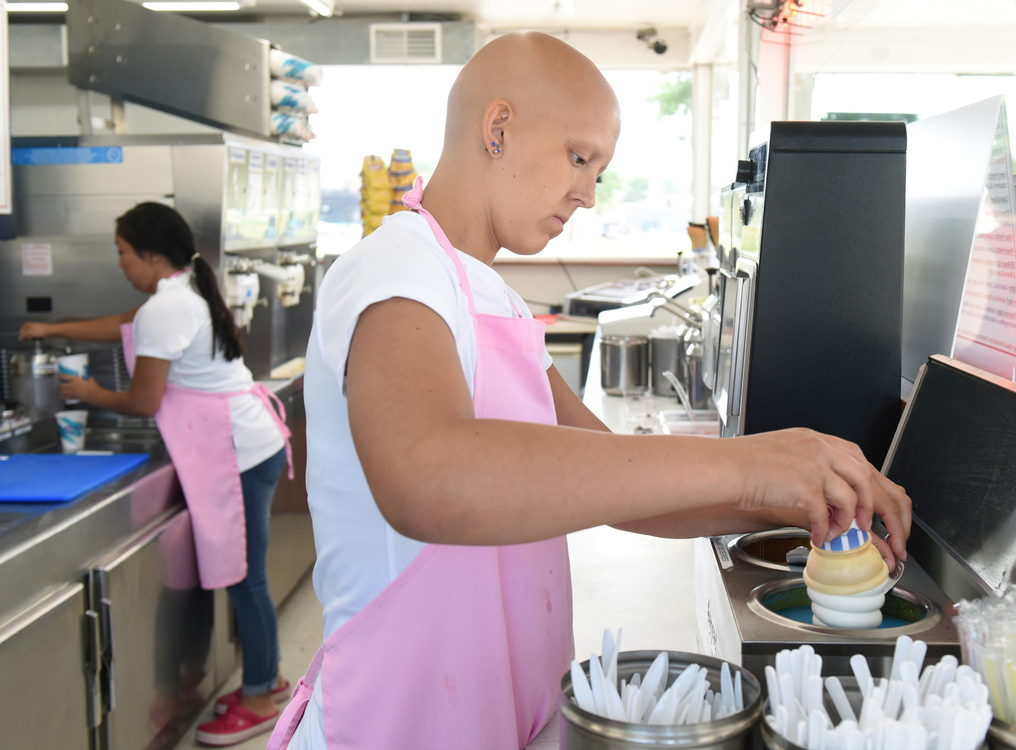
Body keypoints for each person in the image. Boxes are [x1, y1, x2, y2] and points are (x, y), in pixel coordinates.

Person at [268, 32, 912, 750]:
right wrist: (753, 462)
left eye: (599, 169)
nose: (588, 192)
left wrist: (801, 496)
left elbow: (621, 482)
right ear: (498, 127)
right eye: (580, 157)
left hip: (497, 710)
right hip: (395, 722)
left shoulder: (496, 301)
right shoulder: (392, 266)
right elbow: (429, 476)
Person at [20, 203, 295, 747]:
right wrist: (51, 328)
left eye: (123, 253)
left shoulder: (166, 309)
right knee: (248, 574)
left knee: (247, 578)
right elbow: (124, 323)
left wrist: (90, 394)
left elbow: (145, 400)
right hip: (247, 443)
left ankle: (262, 695)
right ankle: (269, 679)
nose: (120, 264)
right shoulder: (181, 289)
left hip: (237, 450)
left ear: (149, 253)